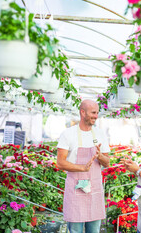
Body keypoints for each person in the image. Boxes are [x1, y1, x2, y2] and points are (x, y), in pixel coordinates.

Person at [57, 99, 110, 233]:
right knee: (75, 230)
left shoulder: (100, 134)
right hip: (76, 188)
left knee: (94, 230)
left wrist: (100, 156)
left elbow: (107, 162)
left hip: (95, 188)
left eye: (97, 113)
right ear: (82, 112)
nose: (96, 116)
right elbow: (60, 162)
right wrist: (82, 168)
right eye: (93, 112)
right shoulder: (68, 134)